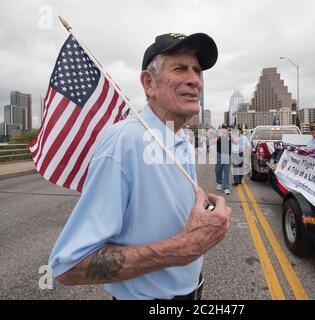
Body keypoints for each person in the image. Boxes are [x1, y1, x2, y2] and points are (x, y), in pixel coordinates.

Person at [48, 32, 232, 300]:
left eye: (198, 70)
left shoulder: (181, 136)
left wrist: (202, 216)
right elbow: (69, 265)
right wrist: (184, 246)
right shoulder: (124, 142)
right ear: (149, 83)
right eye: (180, 68)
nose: (195, 80)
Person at [215, 124, 231, 195]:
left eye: (226, 128)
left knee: (226, 172)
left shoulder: (230, 134)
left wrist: (230, 134)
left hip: (227, 154)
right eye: (223, 128)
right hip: (219, 154)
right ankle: (219, 183)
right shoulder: (219, 133)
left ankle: (226, 188)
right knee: (218, 170)